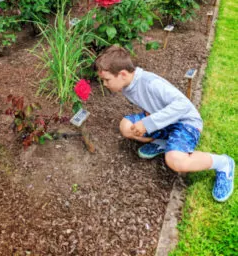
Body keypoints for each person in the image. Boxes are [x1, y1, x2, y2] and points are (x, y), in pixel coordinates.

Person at [95, 45, 235, 202]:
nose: (105, 84)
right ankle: (164, 142)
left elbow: (182, 105)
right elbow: (150, 105)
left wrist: (147, 123)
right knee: (126, 127)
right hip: (163, 121)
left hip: (185, 123)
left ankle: (223, 163)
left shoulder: (151, 83)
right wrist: (147, 118)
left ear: (122, 74)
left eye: (106, 80)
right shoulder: (127, 85)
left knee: (175, 161)